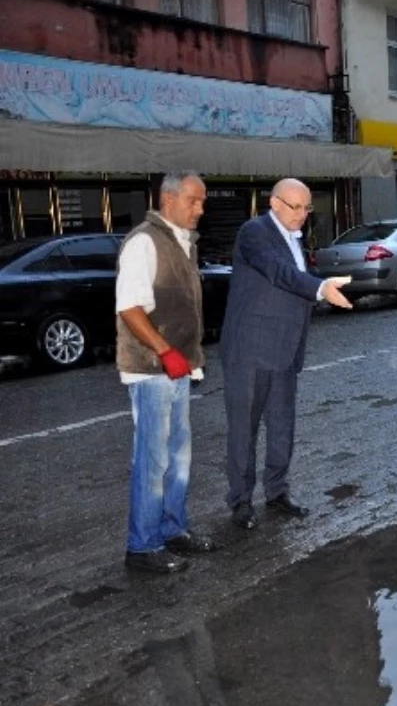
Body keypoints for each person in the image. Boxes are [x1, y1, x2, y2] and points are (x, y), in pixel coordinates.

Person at [221, 178, 353, 530]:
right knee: (243, 429)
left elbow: (292, 281)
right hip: (250, 349)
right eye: (295, 207)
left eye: (307, 208)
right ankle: (241, 501)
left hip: (284, 349)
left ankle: (277, 493)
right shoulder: (255, 232)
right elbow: (279, 274)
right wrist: (320, 287)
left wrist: (318, 285)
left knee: (282, 426)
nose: (302, 215)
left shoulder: (295, 238)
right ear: (274, 203)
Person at [115, 171, 218, 574]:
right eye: (194, 200)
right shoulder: (144, 241)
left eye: (203, 201)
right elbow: (129, 308)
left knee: (178, 457)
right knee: (153, 459)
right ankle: (142, 546)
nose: (201, 208)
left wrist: (184, 359)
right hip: (151, 370)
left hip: (177, 369)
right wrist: (165, 352)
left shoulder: (181, 242)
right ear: (168, 199)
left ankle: (173, 529)